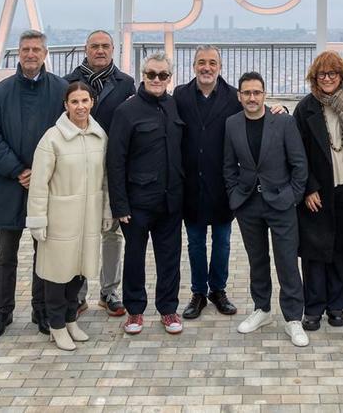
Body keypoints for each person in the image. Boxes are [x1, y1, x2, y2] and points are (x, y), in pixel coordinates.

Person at [0, 29, 67, 339]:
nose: (30, 54)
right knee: (6, 255)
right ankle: (3, 311)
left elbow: (66, 135)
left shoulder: (60, 90)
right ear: (18, 53)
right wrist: (19, 170)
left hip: (46, 186)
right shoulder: (0, 92)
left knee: (42, 252)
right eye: (25, 49)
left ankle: (40, 309)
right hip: (9, 184)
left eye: (36, 49)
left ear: (45, 54)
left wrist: (42, 172)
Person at [223, 72, 310, 347]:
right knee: (257, 260)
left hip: (281, 203)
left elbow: (299, 164)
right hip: (248, 204)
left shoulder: (283, 122)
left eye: (256, 92)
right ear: (239, 96)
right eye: (247, 93)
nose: (252, 97)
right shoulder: (232, 124)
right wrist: (234, 196)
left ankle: (293, 318)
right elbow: (228, 166)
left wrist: (292, 197)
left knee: (287, 261)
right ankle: (262, 309)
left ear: (264, 94)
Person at [26, 81, 110, 351]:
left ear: (92, 103)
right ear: (66, 105)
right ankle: (56, 325)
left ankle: (71, 319)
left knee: (78, 272)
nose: (80, 107)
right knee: (56, 275)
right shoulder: (52, 138)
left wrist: (106, 211)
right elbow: (39, 183)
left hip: (88, 217)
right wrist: (37, 219)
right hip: (60, 218)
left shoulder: (99, 135)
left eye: (85, 101)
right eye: (74, 102)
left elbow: (105, 179)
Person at [107, 52, 185, 335]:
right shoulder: (126, 111)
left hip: (170, 201)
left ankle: (168, 309)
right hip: (137, 202)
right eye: (151, 74)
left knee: (170, 258)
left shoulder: (174, 106)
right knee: (134, 258)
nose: (156, 79)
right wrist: (120, 205)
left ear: (169, 78)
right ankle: (135, 311)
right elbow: (115, 160)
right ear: (143, 75)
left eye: (162, 75)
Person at [63, 29, 136, 317]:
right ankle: (78, 294)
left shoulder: (126, 83)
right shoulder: (68, 82)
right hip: (78, 167)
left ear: (113, 49)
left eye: (105, 46)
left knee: (112, 234)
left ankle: (109, 292)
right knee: (80, 232)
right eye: (95, 46)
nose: (100, 50)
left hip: (113, 168)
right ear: (86, 49)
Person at [292, 50, 343, 331]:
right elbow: (297, 154)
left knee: (342, 249)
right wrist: (308, 188)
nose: (327, 78)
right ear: (314, 78)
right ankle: (313, 308)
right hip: (318, 193)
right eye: (322, 74)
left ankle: (336, 304)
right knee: (314, 252)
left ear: (341, 76)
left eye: (333, 73)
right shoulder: (305, 108)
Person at [172, 45, 239, 320]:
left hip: (222, 184)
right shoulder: (180, 95)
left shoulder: (233, 96)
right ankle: (198, 292)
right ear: (193, 66)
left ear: (219, 67)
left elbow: (255, 111)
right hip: (191, 184)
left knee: (222, 242)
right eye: (202, 62)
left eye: (212, 62)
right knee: (195, 243)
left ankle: (218, 290)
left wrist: (278, 110)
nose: (206, 67)